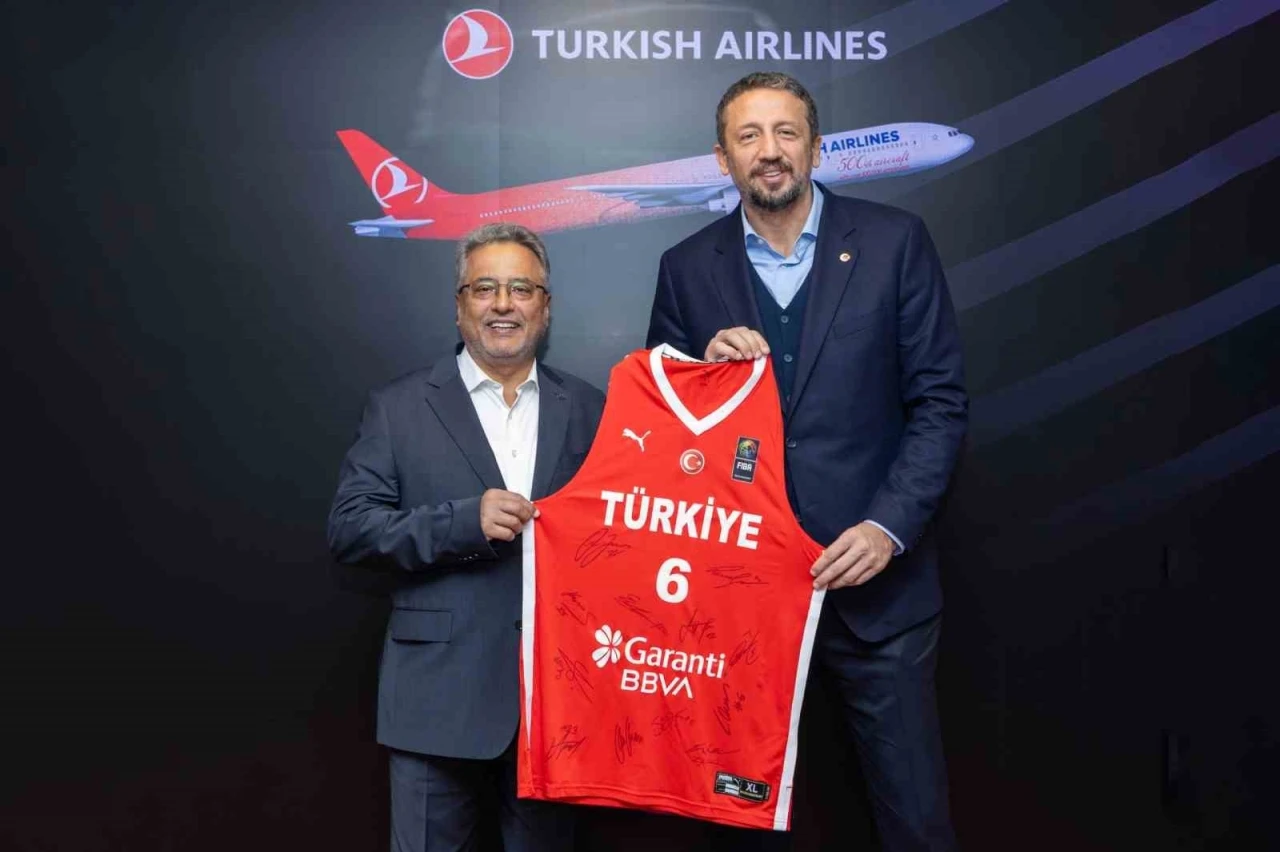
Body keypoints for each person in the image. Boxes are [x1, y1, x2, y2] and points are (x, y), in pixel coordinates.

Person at [646, 72, 968, 851]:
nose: (770, 151)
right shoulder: (686, 267)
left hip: (878, 596)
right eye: (749, 136)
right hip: (740, 605)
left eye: (786, 132)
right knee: (746, 828)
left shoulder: (894, 242)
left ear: (817, 148)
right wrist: (700, 373)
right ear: (722, 159)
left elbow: (940, 403)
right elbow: (660, 432)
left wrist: (887, 528)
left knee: (914, 821)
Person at [328, 222, 604, 852]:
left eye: (521, 289)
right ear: (459, 305)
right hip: (435, 700)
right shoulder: (398, 407)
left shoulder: (592, 409)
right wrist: (461, 522)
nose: (503, 304)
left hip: (555, 706)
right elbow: (350, 528)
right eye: (485, 288)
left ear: (545, 307)